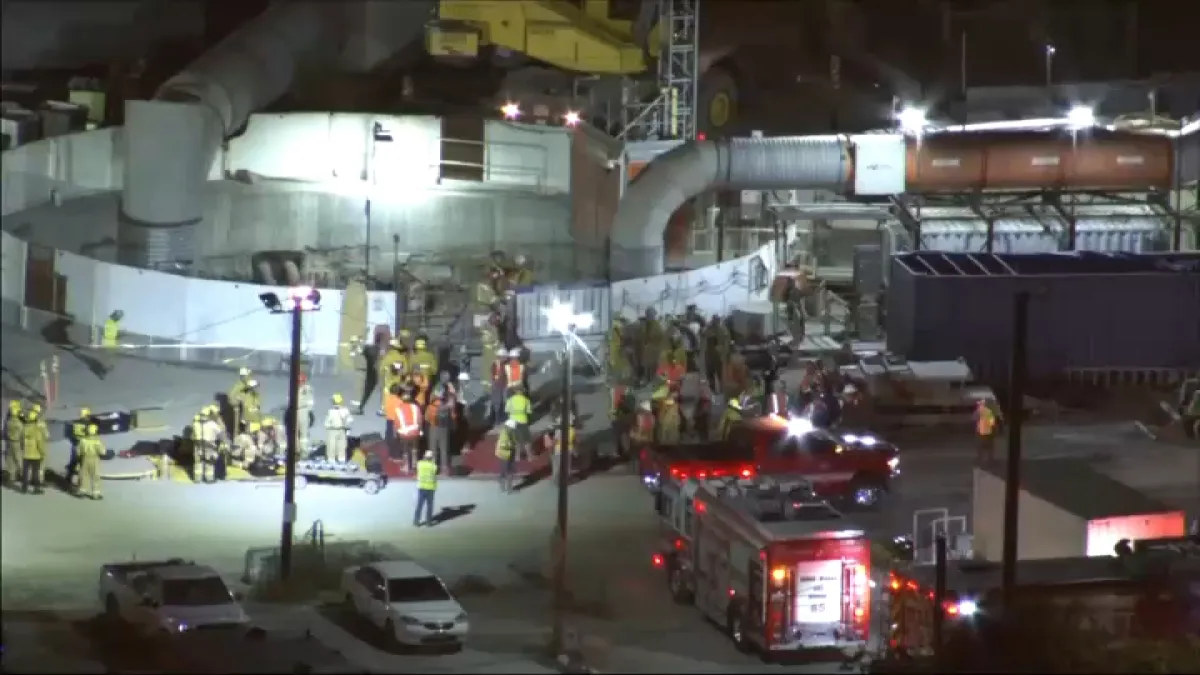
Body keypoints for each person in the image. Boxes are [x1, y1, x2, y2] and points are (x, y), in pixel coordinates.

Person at [426, 377, 458, 473]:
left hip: (433, 428)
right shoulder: (448, 406)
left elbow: (427, 418)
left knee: (433, 448)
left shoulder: (431, 406)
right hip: (444, 428)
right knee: (444, 449)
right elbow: (453, 416)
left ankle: (434, 468)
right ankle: (445, 468)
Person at [393, 390, 423, 473]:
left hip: (404, 434)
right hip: (415, 432)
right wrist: (420, 431)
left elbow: (396, 423)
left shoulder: (398, 409)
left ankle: (406, 466)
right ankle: (414, 465)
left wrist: (396, 433)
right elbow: (420, 420)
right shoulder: (415, 407)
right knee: (414, 449)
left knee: (405, 450)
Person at [21, 406, 48, 494]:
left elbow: (21, 440)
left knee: (25, 471)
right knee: (35, 472)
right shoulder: (37, 430)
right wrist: (43, 453)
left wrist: (23, 449)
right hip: (35, 454)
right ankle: (36, 488)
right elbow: (40, 442)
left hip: (26, 453)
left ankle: (24, 488)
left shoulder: (24, 428)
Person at [504, 383, 532, 461]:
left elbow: (507, 411)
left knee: (516, 440)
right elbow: (529, 411)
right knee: (527, 440)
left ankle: (517, 457)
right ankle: (529, 456)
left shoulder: (510, 400)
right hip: (523, 420)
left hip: (513, 421)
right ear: (522, 391)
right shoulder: (526, 400)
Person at [66, 407, 92, 488]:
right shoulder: (89, 425)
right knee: (82, 465)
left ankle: (68, 478)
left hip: (75, 446)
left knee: (73, 462)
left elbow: (68, 434)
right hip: (84, 447)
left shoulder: (75, 423)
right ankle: (80, 484)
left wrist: (74, 442)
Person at [76, 424, 105, 499]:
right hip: (94, 459)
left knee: (84, 475)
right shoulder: (97, 441)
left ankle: (82, 492)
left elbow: (78, 451)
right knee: (95, 476)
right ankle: (95, 494)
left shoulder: (83, 440)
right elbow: (102, 452)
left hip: (85, 458)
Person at [637, 309, 665, 385]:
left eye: (651, 315)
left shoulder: (655, 324)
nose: (649, 316)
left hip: (654, 349)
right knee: (647, 365)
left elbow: (660, 336)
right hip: (649, 348)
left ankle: (651, 379)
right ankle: (648, 379)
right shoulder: (648, 324)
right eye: (648, 315)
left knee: (653, 365)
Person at [703, 315, 730, 389]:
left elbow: (726, 343)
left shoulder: (723, 329)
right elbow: (703, 334)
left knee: (720, 374)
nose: (715, 322)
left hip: (718, 355)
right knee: (710, 374)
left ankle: (722, 389)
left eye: (716, 320)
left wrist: (723, 355)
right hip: (710, 355)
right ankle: (712, 390)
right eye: (714, 320)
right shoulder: (709, 329)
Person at [325, 393, 353, 464]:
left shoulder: (331, 412)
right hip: (342, 430)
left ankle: (331, 459)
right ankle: (341, 458)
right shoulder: (345, 410)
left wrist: (328, 426)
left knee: (331, 445)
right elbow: (350, 420)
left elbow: (327, 423)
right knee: (342, 445)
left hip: (332, 430)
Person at [414, 450, 438, 527]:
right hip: (431, 487)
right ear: (432, 458)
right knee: (429, 506)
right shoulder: (434, 466)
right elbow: (434, 474)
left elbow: (417, 466)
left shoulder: (420, 464)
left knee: (419, 505)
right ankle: (428, 522)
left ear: (424, 457)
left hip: (421, 487)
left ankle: (416, 521)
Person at [551, 414, 576, 487]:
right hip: (568, 451)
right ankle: (566, 480)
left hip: (559, 451)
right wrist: (574, 450)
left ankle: (557, 481)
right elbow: (573, 441)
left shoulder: (559, 430)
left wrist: (552, 448)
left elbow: (555, 441)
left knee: (557, 467)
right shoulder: (572, 430)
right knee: (567, 466)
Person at [496, 419, 519, 493]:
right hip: (505, 454)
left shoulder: (510, 432)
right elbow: (503, 445)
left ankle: (504, 484)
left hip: (509, 453)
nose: (513, 429)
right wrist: (512, 445)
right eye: (512, 428)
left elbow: (514, 441)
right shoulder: (504, 434)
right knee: (509, 471)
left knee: (507, 470)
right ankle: (508, 488)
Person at [4, 399, 24, 485]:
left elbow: (5, 431)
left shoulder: (8, 422)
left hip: (9, 442)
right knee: (18, 458)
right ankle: (22, 474)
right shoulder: (19, 424)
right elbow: (22, 434)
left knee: (10, 459)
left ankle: (11, 477)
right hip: (16, 442)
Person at [228, 367, 253, 435]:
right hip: (238, 410)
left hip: (247, 411)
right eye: (243, 376)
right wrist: (239, 400)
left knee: (247, 428)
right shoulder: (238, 386)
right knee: (237, 429)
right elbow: (231, 398)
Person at [296, 372, 314, 452]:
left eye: (301, 381)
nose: (300, 383)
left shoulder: (307, 389)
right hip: (295, 411)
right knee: (295, 431)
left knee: (304, 431)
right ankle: (296, 448)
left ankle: (304, 449)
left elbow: (310, 401)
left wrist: (309, 410)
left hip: (303, 410)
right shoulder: (294, 388)